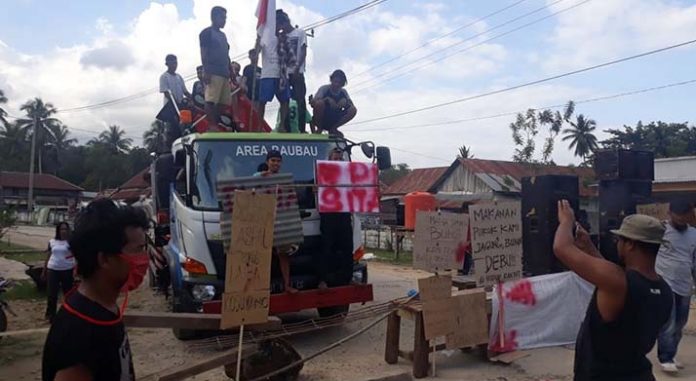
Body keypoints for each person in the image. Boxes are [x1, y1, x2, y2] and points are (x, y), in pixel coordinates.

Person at [553, 201, 673, 381]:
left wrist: (566, 221)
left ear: (631, 244)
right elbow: (614, 282)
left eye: (620, 240)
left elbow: (561, 248)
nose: (617, 244)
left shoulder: (617, 281)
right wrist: (588, 247)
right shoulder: (664, 291)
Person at [42, 199, 150, 381]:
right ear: (105, 259)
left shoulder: (106, 309)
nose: (144, 258)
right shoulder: (77, 335)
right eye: (138, 250)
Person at [655, 200, 696, 373]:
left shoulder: (694, 233)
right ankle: (665, 358)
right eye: (677, 218)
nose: (681, 221)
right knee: (668, 323)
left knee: (680, 324)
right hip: (665, 283)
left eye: (684, 218)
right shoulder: (659, 231)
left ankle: (671, 354)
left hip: (685, 284)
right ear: (669, 213)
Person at [254, 150, 299, 293]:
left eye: (278, 161)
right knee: (263, 257)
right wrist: (261, 177)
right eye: (273, 160)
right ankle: (260, 288)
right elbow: (249, 189)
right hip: (263, 222)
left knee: (284, 255)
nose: (275, 163)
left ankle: (287, 286)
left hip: (281, 222)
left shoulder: (284, 180)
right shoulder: (258, 177)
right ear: (267, 162)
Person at [317, 148, 354, 289]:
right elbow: (311, 189)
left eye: (340, 159)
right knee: (326, 248)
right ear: (329, 159)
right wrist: (314, 190)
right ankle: (322, 279)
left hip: (344, 215)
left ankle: (348, 278)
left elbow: (358, 190)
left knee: (347, 248)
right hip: (328, 216)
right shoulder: (320, 174)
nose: (337, 161)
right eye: (335, 159)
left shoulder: (348, 176)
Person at [200, 6, 232, 129]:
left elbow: (226, 55)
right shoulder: (206, 33)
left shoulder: (223, 36)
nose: (224, 20)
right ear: (214, 17)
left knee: (224, 102)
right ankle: (211, 125)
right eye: (222, 17)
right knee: (210, 100)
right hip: (213, 71)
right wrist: (206, 70)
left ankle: (216, 122)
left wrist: (231, 73)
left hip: (224, 73)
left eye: (225, 18)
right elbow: (203, 53)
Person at [257, 15, 291, 130]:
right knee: (262, 101)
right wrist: (257, 40)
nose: (279, 26)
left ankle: (282, 125)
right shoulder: (265, 36)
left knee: (285, 100)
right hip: (268, 73)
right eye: (277, 23)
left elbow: (290, 57)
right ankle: (259, 126)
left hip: (281, 74)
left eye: (281, 24)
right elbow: (256, 51)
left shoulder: (284, 38)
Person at [277, 10, 308, 133]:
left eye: (281, 25)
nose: (280, 28)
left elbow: (303, 51)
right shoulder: (281, 37)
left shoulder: (299, 32)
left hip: (297, 72)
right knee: (285, 101)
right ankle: (285, 127)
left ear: (285, 22)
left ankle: (301, 128)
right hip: (285, 73)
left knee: (300, 100)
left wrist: (297, 68)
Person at [43, 222, 75, 322]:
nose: (64, 231)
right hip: (53, 270)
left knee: (68, 294)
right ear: (58, 230)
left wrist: (76, 270)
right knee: (52, 294)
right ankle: (51, 315)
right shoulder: (52, 241)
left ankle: (69, 313)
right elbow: (48, 256)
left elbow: (76, 256)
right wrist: (44, 270)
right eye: (62, 229)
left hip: (67, 270)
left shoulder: (71, 242)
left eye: (65, 229)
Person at [310, 70, 357, 137]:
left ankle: (333, 128)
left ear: (342, 84)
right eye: (335, 81)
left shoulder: (343, 92)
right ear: (331, 80)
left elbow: (352, 107)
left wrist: (346, 102)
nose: (336, 84)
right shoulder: (324, 88)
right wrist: (326, 100)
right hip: (323, 118)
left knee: (353, 109)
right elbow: (313, 103)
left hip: (335, 118)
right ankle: (319, 128)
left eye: (339, 83)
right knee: (319, 103)